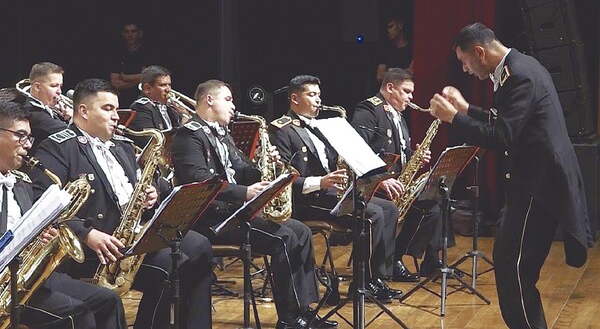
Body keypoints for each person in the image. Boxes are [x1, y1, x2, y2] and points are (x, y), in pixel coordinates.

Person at [429, 22, 591, 329]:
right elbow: (509, 121)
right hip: (531, 183)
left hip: (537, 186)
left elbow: (502, 135)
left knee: (513, 267)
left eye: (464, 62)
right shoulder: (518, 67)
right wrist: (466, 109)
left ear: (479, 51)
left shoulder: (519, 75)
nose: (465, 70)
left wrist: (454, 118)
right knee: (511, 263)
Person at [30, 78, 214, 329]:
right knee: (173, 265)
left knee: (201, 247)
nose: (116, 116)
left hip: (134, 234)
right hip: (98, 245)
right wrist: (87, 233)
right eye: (107, 109)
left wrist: (152, 194)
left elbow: (143, 184)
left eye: (116, 109)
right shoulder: (58, 147)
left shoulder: (122, 147)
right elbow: (42, 204)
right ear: (83, 111)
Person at [171, 79, 336, 329]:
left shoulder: (222, 133)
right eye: (228, 100)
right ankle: (290, 318)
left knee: (300, 231)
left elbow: (241, 169)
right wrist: (244, 192)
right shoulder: (189, 135)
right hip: (210, 219)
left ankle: (305, 309)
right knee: (284, 238)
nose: (233, 106)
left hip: (233, 213)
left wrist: (263, 168)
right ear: (208, 100)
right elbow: (199, 180)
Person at [269, 75, 402, 302]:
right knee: (372, 213)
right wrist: (320, 182)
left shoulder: (323, 126)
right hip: (306, 200)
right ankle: (363, 283)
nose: (318, 100)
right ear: (294, 98)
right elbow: (280, 177)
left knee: (388, 209)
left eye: (319, 95)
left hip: (330, 195)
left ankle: (376, 279)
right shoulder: (281, 129)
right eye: (311, 95)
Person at [0, 99, 127, 328]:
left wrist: (39, 237)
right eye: (20, 135)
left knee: (109, 301)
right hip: (4, 284)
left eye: (29, 137)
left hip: (26, 277)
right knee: (76, 315)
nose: (27, 145)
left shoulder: (21, 182)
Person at [352, 67, 455, 282]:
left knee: (437, 197)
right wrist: (381, 179)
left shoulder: (399, 116)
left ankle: (421, 259)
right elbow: (357, 151)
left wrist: (416, 157)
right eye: (407, 92)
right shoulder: (369, 110)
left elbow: (401, 155)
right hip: (375, 186)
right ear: (390, 88)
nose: (411, 98)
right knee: (422, 206)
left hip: (397, 183)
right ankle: (390, 264)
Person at [128, 65, 189, 148]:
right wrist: (184, 117)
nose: (168, 90)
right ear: (147, 88)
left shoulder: (170, 108)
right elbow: (152, 143)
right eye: (163, 85)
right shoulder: (140, 108)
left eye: (169, 85)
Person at [23, 62, 72, 153]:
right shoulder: (32, 112)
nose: (59, 92)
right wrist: (75, 118)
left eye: (60, 86)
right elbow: (70, 134)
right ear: (37, 87)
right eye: (54, 86)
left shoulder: (48, 109)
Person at [110, 20, 152, 108]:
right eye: (126, 31)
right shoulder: (117, 54)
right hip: (123, 102)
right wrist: (140, 78)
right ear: (122, 34)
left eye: (133, 31)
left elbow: (153, 78)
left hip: (145, 102)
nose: (130, 35)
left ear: (140, 33)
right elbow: (115, 83)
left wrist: (126, 78)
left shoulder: (148, 53)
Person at [375, 17, 413, 84]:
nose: (388, 31)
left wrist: (390, 71)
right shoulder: (386, 50)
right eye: (387, 28)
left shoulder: (412, 49)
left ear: (400, 26)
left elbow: (412, 73)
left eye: (391, 26)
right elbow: (380, 76)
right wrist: (404, 71)